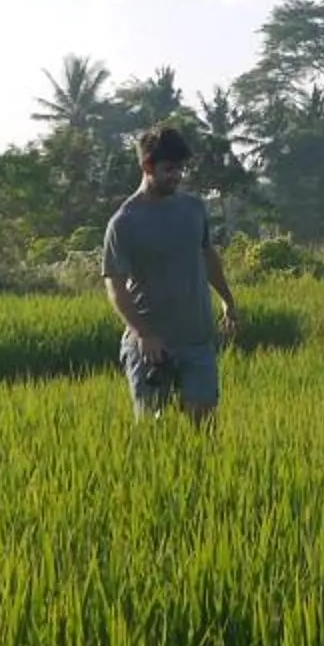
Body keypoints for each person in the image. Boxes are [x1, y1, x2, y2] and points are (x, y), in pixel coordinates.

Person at [101, 123, 240, 422]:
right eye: (168, 169)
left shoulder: (193, 209)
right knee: (154, 428)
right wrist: (144, 334)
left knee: (203, 423)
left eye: (180, 169)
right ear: (146, 166)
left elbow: (207, 256)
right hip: (151, 345)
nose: (176, 176)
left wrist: (227, 300)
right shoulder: (124, 222)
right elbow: (116, 288)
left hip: (197, 338)